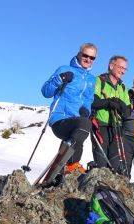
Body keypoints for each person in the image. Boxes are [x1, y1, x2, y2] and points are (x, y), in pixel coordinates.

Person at [40, 42, 97, 173]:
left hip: (77, 121)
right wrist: (61, 79)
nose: (88, 59)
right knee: (84, 124)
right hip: (60, 120)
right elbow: (45, 92)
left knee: (82, 127)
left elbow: (88, 100)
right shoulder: (64, 69)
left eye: (92, 58)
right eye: (85, 55)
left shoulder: (91, 79)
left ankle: (61, 169)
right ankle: (71, 164)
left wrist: (86, 110)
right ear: (79, 54)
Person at [91, 55, 131, 174]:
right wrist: (108, 102)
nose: (123, 71)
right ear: (111, 66)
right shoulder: (100, 81)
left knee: (115, 165)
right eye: (121, 67)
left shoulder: (123, 87)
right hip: (100, 127)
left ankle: (111, 192)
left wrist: (120, 105)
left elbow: (127, 112)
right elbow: (94, 102)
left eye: (125, 69)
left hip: (116, 129)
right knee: (101, 165)